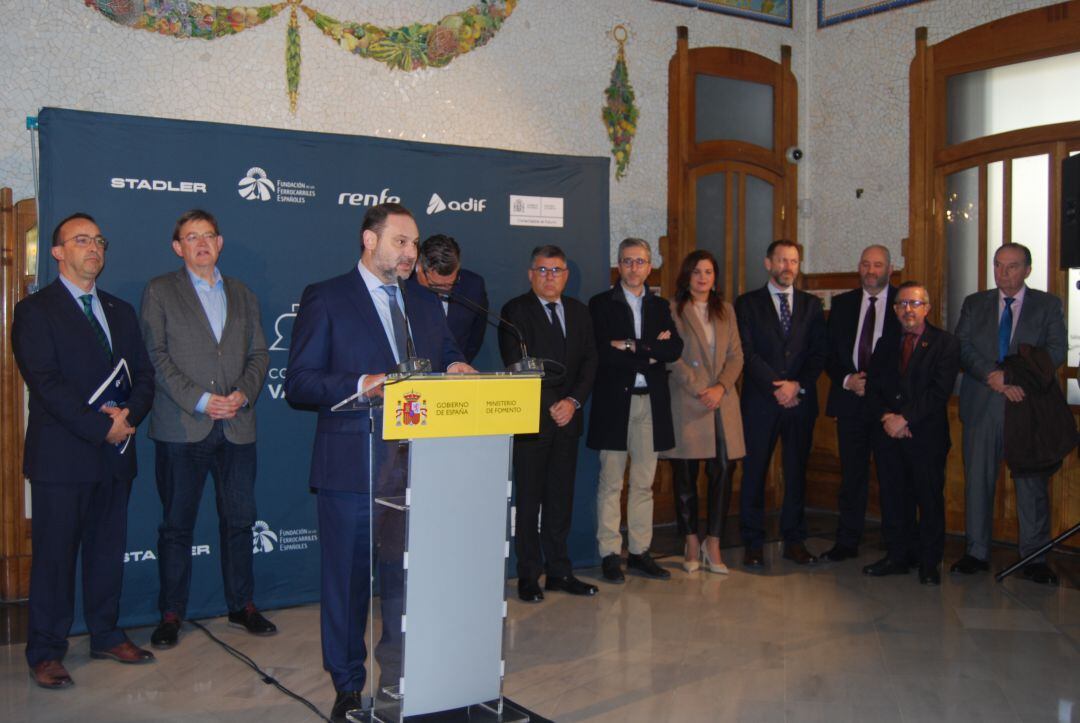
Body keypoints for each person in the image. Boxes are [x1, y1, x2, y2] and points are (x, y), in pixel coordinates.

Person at [284, 203, 473, 721]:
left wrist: (458, 367)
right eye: (401, 242)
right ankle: (347, 684)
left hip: (418, 468)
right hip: (353, 467)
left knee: (405, 582)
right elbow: (298, 382)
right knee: (346, 584)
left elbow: (448, 354)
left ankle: (401, 676)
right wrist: (360, 384)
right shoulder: (327, 297)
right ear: (370, 240)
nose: (412, 254)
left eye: (415, 245)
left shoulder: (426, 303)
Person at [12, 212, 156, 689]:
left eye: (99, 240)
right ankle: (47, 651)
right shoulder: (35, 311)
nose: (93, 248)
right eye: (81, 240)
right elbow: (47, 386)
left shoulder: (119, 310)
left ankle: (106, 633)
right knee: (54, 557)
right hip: (63, 456)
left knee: (106, 551)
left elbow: (144, 375)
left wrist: (129, 419)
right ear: (58, 252)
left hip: (117, 454)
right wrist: (102, 428)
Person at [139, 209, 273, 649]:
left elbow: (259, 355)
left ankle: (242, 605)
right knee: (177, 526)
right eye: (191, 237)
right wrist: (201, 399)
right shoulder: (160, 291)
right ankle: (172, 613)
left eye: (208, 236)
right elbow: (154, 356)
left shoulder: (242, 293)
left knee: (239, 520)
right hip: (183, 427)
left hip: (237, 425)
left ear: (219, 243)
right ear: (178, 248)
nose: (201, 243)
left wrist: (242, 394)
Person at [952, 242, 1067, 585]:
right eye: (998, 265)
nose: (1003, 273)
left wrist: (1012, 378)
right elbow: (963, 346)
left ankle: (1034, 556)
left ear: (1028, 270)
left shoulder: (1047, 305)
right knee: (978, 480)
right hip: (983, 405)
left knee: (1031, 484)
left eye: (1012, 266)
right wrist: (993, 377)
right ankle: (976, 551)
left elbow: (1055, 351)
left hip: (1026, 408)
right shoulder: (975, 303)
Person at [499, 245, 599, 602]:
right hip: (533, 422)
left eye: (557, 270)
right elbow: (517, 363)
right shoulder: (515, 312)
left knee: (560, 500)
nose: (550, 276)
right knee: (529, 502)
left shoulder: (579, 312)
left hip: (568, 421)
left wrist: (571, 402)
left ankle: (559, 571)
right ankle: (529, 575)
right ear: (531, 274)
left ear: (566, 275)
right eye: (543, 270)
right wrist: (552, 404)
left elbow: (590, 361)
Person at [587, 238, 683, 582]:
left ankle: (641, 551)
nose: (634, 268)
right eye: (627, 262)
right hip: (615, 404)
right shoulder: (601, 305)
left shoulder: (659, 306)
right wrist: (649, 351)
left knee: (644, 483)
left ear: (650, 266)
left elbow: (673, 349)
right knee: (611, 482)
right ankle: (611, 554)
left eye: (640, 262)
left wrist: (631, 345)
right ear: (618, 265)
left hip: (650, 403)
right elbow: (603, 353)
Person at [734, 239, 827, 568]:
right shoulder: (746, 304)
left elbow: (818, 354)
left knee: (796, 473)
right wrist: (778, 386)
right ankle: (753, 543)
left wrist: (796, 386)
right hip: (761, 402)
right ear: (767, 263)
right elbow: (747, 353)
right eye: (782, 260)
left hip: (799, 402)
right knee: (755, 474)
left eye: (794, 261)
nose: (788, 267)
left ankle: (794, 541)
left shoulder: (812, 305)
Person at [864, 282, 959, 584]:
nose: (908, 309)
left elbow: (938, 392)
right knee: (892, 498)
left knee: (928, 500)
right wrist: (887, 418)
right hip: (889, 435)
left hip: (925, 436)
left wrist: (905, 419)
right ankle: (896, 556)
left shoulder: (945, 343)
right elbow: (874, 388)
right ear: (894, 310)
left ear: (927, 308)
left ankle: (929, 563)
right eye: (902, 304)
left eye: (915, 304)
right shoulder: (885, 343)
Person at [662, 250, 745, 574]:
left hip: (722, 402)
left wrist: (721, 387)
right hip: (687, 399)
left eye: (708, 272)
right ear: (687, 276)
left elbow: (737, 355)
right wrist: (699, 387)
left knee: (723, 472)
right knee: (685, 477)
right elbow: (671, 355)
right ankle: (691, 540)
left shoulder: (726, 310)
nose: (702, 278)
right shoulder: (672, 309)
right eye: (696, 272)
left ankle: (714, 540)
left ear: (715, 277)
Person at [821, 245, 900, 562]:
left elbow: (907, 357)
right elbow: (829, 354)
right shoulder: (842, 304)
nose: (871, 270)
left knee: (892, 476)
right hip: (850, 402)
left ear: (889, 270)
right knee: (851, 477)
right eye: (866, 264)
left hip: (887, 407)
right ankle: (847, 541)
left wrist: (879, 388)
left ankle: (896, 544)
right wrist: (847, 380)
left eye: (878, 265)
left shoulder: (902, 303)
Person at [414, 233, 489, 363]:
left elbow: (474, 339)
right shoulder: (404, 287)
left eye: (449, 284)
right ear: (420, 268)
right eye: (435, 286)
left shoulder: (473, 287)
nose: (443, 292)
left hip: (456, 375)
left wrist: (457, 364)